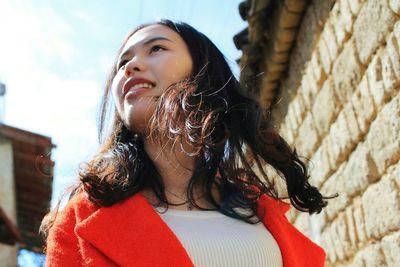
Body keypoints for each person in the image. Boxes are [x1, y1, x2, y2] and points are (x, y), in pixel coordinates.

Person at [42, 19, 332, 267]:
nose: (131, 66)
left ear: (202, 72)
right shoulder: (78, 222)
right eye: (122, 62)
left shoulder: (258, 209)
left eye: (156, 48)